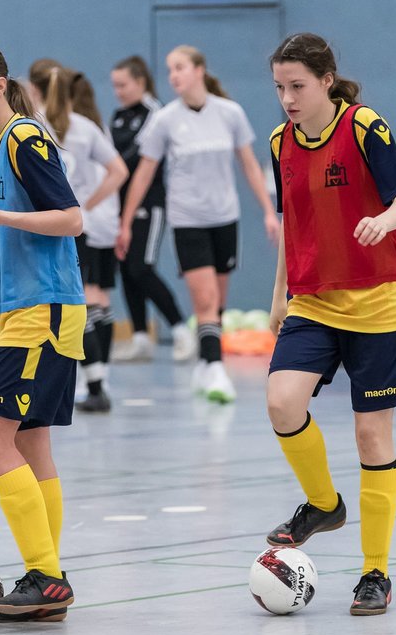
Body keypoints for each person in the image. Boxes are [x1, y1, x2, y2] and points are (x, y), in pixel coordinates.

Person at [262, 33, 396, 616]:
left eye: (297, 86)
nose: (287, 99)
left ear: (327, 80)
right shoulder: (279, 142)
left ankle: (375, 572)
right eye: (279, 87)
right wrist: (277, 295)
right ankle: (323, 504)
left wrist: (383, 220)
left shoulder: (364, 127)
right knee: (282, 402)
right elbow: (289, 223)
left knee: (370, 435)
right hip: (312, 302)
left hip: (377, 300)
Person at [0, 42, 85, 621]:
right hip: (19, 312)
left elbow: (72, 218)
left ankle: (46, 576)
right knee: (30, 444)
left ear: (0, 85)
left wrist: (2, 216)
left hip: (40, 312)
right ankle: (47, 576)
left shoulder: (26, 139)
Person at [115, 45, 278, 403]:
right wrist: (125, 223)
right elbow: (142, 175)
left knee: (217, 302)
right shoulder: (165, 120)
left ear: (199, 70)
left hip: (225, 217)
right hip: (187, 219)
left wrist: (268, 210)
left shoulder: (230, 113)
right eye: (170, 69)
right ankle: (216, 368)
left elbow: (250, 165)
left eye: (180, 68)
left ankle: (206, 364)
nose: (173, 75)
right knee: (204, 300)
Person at [28, 59, 127, 413]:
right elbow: (119, 170)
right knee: (88, 298)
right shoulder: (86, 127)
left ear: (35, 90)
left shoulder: (30, 127)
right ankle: (97, 379)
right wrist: (86, 203)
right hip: (79, 226)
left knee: (66, 303)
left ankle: (93, 384)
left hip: (49, 227)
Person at [108, 56, 190, 362]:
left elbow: (135, 157)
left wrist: (109, 168)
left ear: (140, 82)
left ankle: (181, 329)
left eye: (122, 85)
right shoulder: (117, 116)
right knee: (127, 269)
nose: (117, 91)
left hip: (149, 203)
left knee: (142, 266)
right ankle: (141, 337)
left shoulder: (156, 113)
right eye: (114, 85)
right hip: (118, 203)